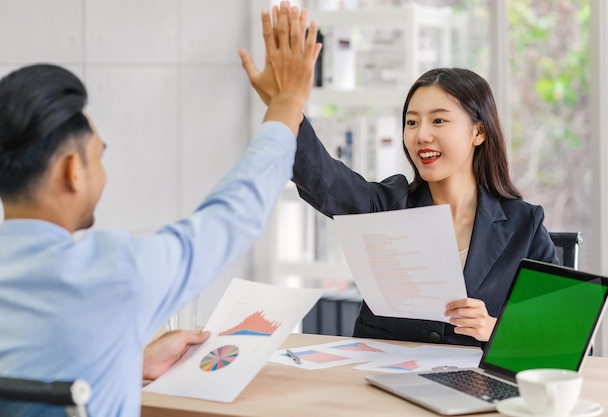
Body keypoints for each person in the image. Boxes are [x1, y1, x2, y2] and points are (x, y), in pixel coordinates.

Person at [0, 2, 321, 416]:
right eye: (99, 157)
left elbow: (25, 378)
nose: (103, 172)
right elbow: (231, 216)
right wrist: (287, 104)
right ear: (72, 171)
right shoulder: (113, 274)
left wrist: (127, 363)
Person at [242, 55, 559, 347]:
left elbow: (558, 329)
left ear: (478, 132)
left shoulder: (524, 225)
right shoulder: (389, 204)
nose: (421, 135)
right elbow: (327, 181)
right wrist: (286, 106)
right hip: (383, 384)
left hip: (475, 388)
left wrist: (495, 328)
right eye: (411, 122)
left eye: (438, 121)